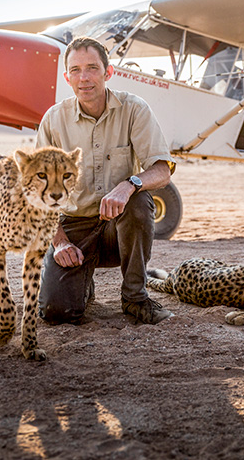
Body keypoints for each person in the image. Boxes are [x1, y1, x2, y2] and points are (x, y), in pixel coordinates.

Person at [35, 36, 176, 325]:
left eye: (92, 68)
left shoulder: (134, 109)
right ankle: (81, 282)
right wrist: (60, 243)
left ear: (108, 72)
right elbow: (38, 194)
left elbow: (162, 170)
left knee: (138, 200)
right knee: (57, 312)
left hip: (118, 227)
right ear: (67, 78)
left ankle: (135, 297)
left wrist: (129, 185)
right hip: (75, 229)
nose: (84, 78)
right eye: (75, 70)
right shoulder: (53, 121)